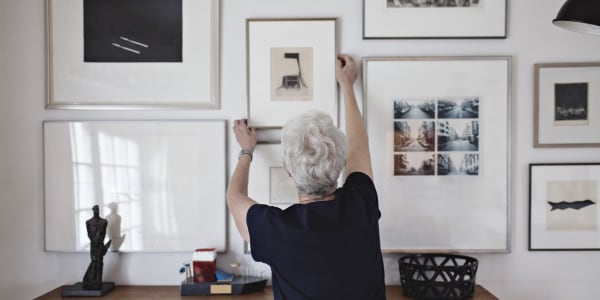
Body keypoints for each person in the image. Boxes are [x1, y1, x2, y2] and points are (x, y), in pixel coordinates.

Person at [227, 54, 385, 299]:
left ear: (288, 171)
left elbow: (234, 197)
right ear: (342, 164)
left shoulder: (275, 230)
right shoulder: (361, 203)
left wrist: (246, 149)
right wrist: (346, 85)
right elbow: (359, 145)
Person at [82, 205, 112, 290]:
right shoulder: (88, 222)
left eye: (98, 209)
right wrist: (95, 240)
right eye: (95, 209)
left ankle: (98, 281)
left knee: (100, 263)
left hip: (100, 244)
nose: (96, 211)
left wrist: (101, 242)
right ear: (93, 210)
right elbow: (89, 234)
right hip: (93, 245)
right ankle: (90, 280)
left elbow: (104, 233)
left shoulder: (104, 221)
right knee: (94, 262)